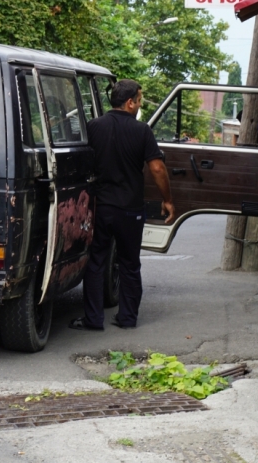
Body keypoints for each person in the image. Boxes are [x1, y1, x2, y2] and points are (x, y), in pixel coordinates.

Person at [69, 79, 175, 331]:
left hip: (102, 207)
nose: (139, 105)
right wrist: (168, 199)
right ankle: (127, 318)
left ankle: (93, 319)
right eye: (139, 100)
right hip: (130, 210)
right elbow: (157, 168)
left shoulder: (93, 127)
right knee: (129, 263)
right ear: (129, 103)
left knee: (96, 261)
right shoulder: (142, 131)